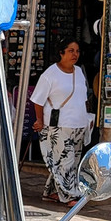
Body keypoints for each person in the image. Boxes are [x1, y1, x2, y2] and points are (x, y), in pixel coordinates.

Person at [31, 39, 89, 207]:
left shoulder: (78, 71)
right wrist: (39, 120)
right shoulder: (50, 74)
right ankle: (69, 195)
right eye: (71, 50)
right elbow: (38, 100)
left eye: (77, 51)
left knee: (71, 160)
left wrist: (87, 118)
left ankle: (52, 192)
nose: (75, 54)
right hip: (58, 125)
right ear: (61, 53)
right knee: (65, 161)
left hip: (79, 123)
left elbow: (82, 97)